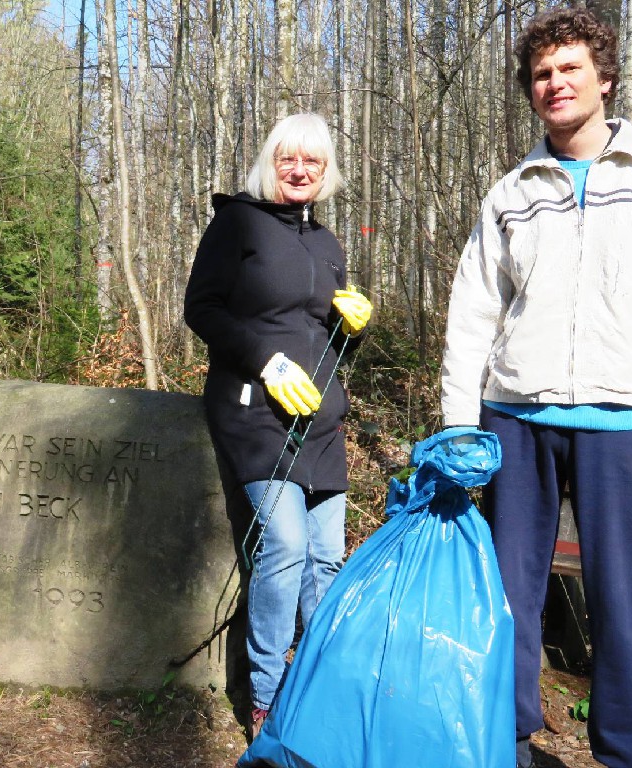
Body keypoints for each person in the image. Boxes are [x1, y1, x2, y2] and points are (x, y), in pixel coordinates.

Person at [441, 7, 632, 767]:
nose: (555, 83)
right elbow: (474, 311)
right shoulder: (511, 193)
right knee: (507, 600)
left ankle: (626, 756)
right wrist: (457, 426)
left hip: (629, 421)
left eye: (570, 68)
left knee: (627, 608)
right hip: (515, 418)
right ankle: (501, 745)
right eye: (542, 74)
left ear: (604, 78)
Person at [184, 112, 371, 739]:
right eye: (289, 159)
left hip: (320, 420)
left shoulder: (328, 242)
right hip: (253, 411)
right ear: (271, 162)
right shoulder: (237, 222)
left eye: (312, 162)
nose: (299, 171)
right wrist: (266, 361)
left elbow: (330, 343)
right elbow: (200, 308)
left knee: (325, 558)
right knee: (287, 544)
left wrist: (352, 329)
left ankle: (318, 688)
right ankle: (266, 695)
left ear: (326, 172)